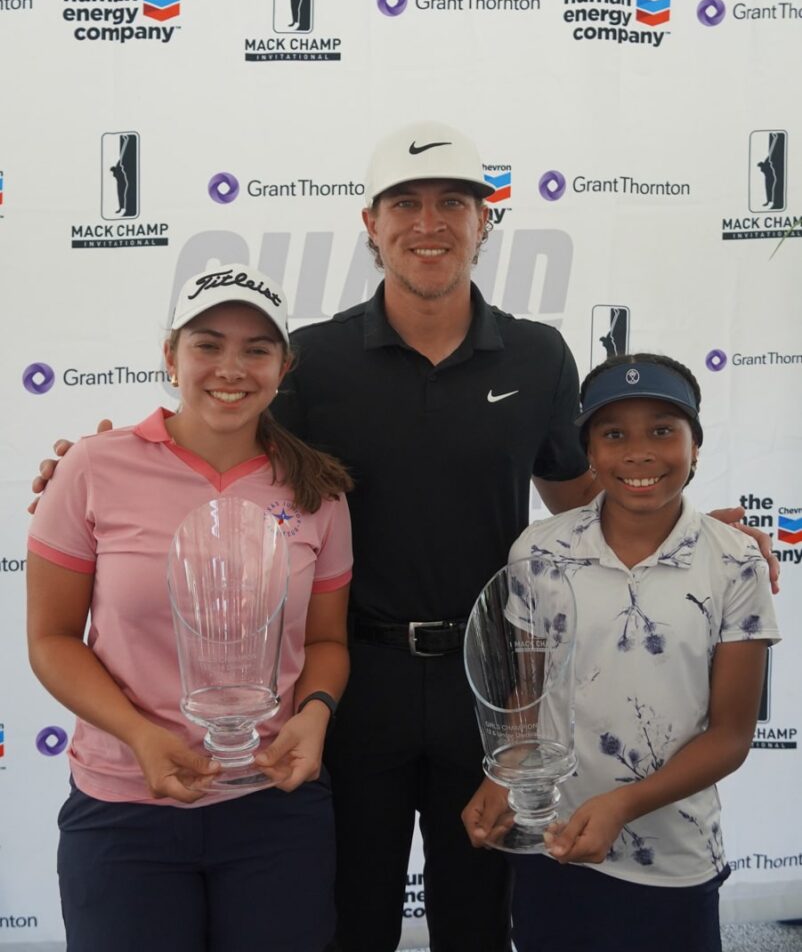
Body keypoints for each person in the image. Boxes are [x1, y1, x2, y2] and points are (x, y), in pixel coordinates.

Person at [31, 123, 779, 952]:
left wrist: (685, 527)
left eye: (454, 203)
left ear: (484, 223)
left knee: (477, 922)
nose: (431, 223)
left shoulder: (536, 355)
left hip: (492, 686)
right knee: (352, 921)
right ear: (371, 225)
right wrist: (85, 464)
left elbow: (581, 504)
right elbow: (218, 441)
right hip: (356, 683)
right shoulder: (312, 359)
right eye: (406, 205)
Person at [27, 266, 354, 952]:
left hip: (273, 809)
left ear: (283, 367)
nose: (230, 368)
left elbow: (326, 643)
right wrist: (139, 735)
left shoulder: (318, 490)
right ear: (170, 357)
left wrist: (316, 714)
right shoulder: (91, 468)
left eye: (256, 349)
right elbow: (53, 639)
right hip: (124, 811)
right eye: (207, 344)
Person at [462, 353, 780, 952]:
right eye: (614, 434)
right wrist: (502, 775)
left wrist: (623, 804)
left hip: (674, 855)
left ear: (696, 445)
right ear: (589, 453)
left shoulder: (736, 561)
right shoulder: (539, 551)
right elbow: (529, 693)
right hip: (554, 841)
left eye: (663, 430)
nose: (639, 452)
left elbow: (731, 735)